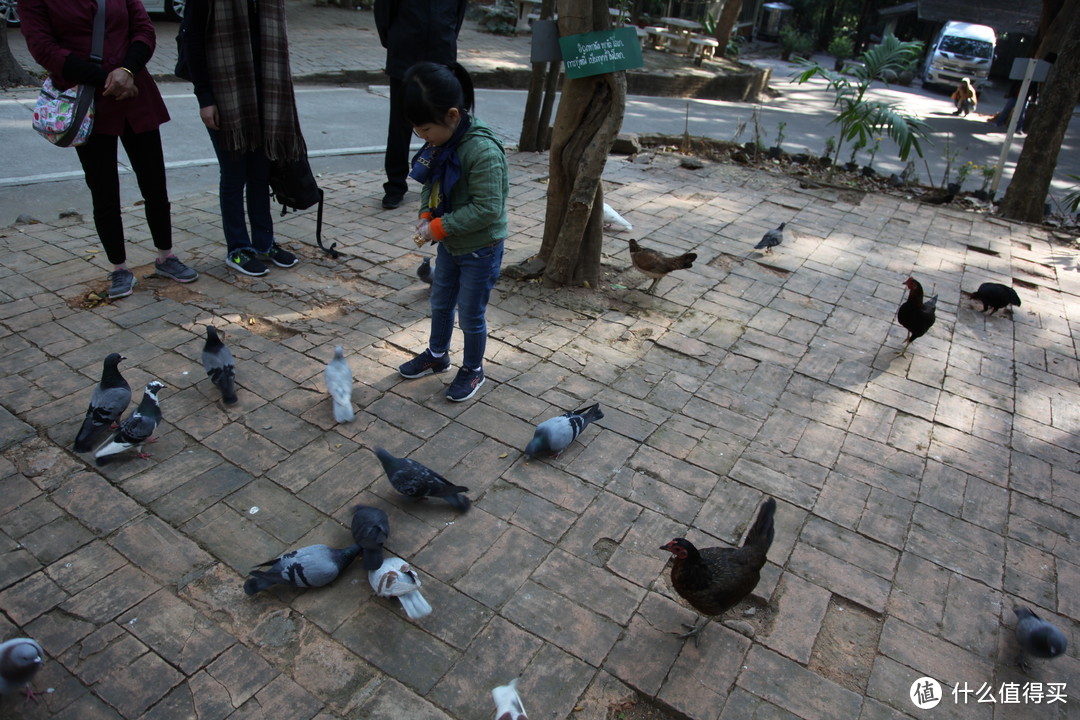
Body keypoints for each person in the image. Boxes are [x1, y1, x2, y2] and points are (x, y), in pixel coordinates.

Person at [20, 0, 199, 300]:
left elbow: (143, 29)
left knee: (154, 181)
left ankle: (166, 256)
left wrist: (127, 69)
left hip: (135, 92)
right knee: (103, 190)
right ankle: (119, 267)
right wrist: (107, 77)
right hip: (89, 99)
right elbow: (44, 49)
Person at [396, 62, 508, 403]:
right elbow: (430, 183)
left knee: (471, 313)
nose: (423, 138)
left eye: (426, 129)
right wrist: (426, 213)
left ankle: (474, 369)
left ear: (453, 116)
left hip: (480, 248)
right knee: (440, 302)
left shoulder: (483, 151)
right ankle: (437, 354)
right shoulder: (441, 144)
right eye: (418, 131)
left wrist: (438, 227)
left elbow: (488, 209)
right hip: (450, 243)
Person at [184, 0, 302, 277]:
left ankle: (263, 242)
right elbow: (193, 42)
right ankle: (238, 248)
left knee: (260, 174)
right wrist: (205, 97)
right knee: (235, 174)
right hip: (228, 94)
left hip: (265, 95)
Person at [374, 0, 467, 210]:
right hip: (405, 51)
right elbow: (384, 12)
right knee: (400, 123)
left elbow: (458, 12)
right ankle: (395, 185)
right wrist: (396, 38)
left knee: (442, 122)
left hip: (441, 51)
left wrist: (447, 34)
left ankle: (439, 178)